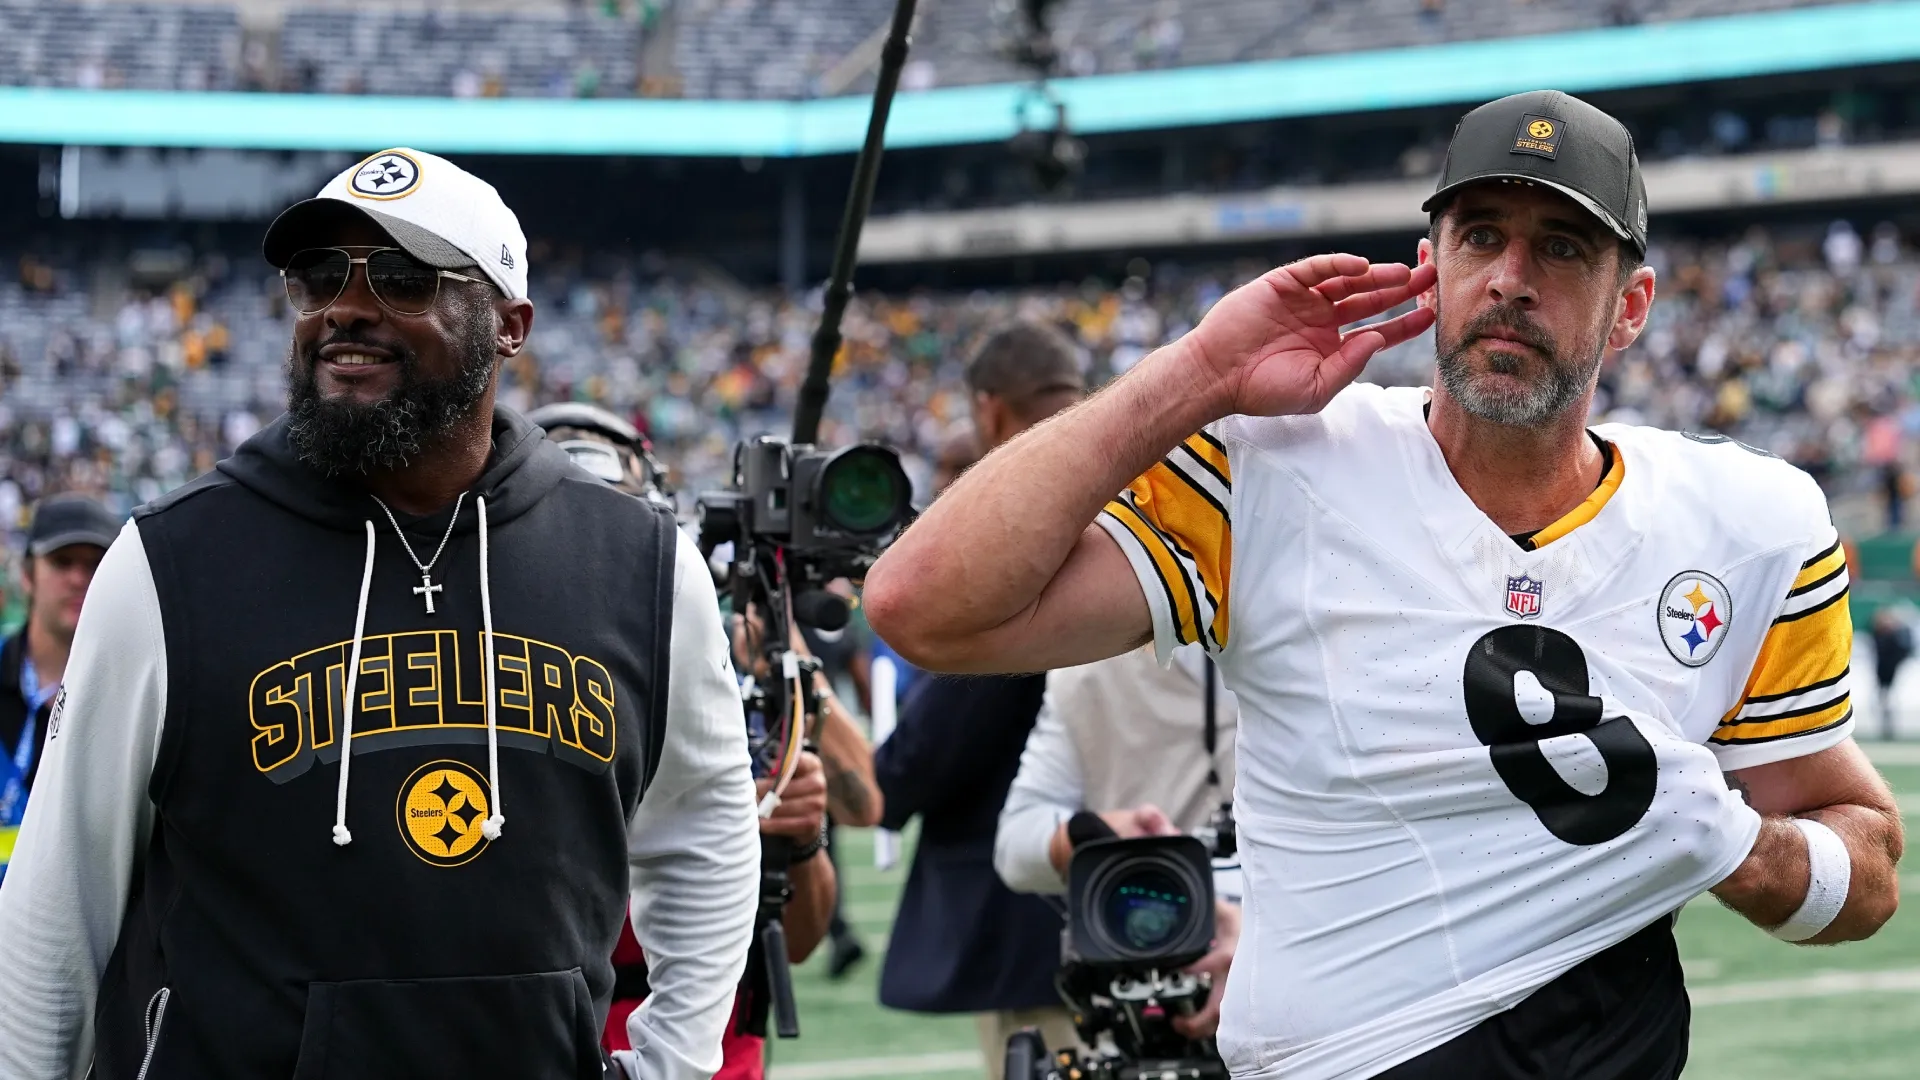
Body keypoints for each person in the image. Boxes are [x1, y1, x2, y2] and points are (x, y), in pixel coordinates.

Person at [867, 90, 1904, 1080]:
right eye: (1481, 235)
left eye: (1563, 247)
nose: (1511, 277)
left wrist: (1737, 850)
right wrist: (1199, 373)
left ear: (1629, 306)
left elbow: (1868, 869)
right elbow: (922, 608)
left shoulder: (1742, 521)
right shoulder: (1273, 466)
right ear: (1432, 268)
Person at [0, 149, 760, 1080]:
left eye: (401, 278)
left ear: (509, 324)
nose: (346, 308)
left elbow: (708, 824)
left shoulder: (639, 561)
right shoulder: (167, 562)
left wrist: (674, 1063)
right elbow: (57, 903)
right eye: (321, 277)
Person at [527, 400, 876, 1075]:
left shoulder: (711, 666)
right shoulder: (486, 672)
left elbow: (802, 931)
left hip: (705, 1054)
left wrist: (799, 838)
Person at [872, 322, 1088, 1080]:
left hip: (1040, 924)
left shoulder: (1027, 529)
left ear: (990, 412)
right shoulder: (1140, 500)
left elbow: (924, 757)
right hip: (1182, 894)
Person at [995, 642, 1241, 1039]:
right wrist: (1095, 835)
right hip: (1158, 980)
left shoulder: (1348, 636)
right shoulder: (1090, 667)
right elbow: (1016, 845)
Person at [0, 493, 120, 886]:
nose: (79, 578)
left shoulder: (134, 693)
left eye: (95, 564)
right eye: (62, 562)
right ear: (27, 574)